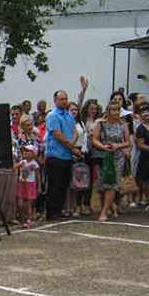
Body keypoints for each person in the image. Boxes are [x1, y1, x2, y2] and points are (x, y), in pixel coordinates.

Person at [44, 91, 83, 220]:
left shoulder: (69, 115)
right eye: (61, 99)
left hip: (67, 155)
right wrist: (72, 146)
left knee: (63, 185)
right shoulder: (52, 115)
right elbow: (57, 135)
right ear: (55, 100)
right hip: (55, 155)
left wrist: (72, 144)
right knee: (54, 185)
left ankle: (59, 210)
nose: (64, 101)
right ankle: (51, 212)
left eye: (66, 99)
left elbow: (74, 132)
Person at [91, 101, 130, 222]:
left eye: (118, 110)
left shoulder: (123, 125)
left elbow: (128, 142)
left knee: (112, 184)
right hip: (103, 156)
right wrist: (103, 147)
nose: (117, 112)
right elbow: (94, 139)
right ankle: (108, 206)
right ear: (108, 111)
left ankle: (104, 212)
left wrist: (117, 146)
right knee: (103, 183)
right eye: (114, 110)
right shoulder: (100, 124)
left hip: (117, 157)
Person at [133, 103, 149, 209]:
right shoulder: (140, 129)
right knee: (146, 179)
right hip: (146, 157)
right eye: (142, 112)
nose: (145, 114)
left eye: (147, 111)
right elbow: (140, 145)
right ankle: (148, 200)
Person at [16, 145, 40, 228]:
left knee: (29, 203)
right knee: (20, 203)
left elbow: (38, 176)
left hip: (30, 184)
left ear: (34, 154)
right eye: (25, 151)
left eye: (28, 151)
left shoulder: (34, 164)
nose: (25, 152)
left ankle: (29, 220)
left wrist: (39, 186)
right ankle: (23, 219)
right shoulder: (23, 162)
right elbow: (15, 168)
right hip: (21, 183)